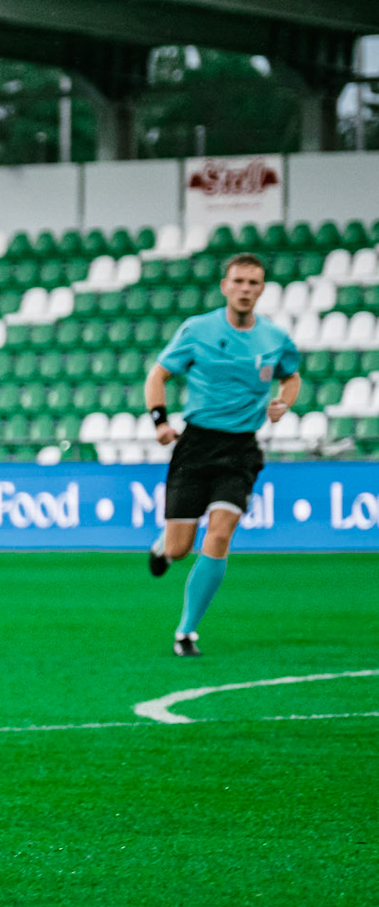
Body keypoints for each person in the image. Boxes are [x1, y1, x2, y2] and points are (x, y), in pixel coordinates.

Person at [144, 252, 301, 657]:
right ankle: (163, 547)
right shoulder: (197, 329)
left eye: (253, 283)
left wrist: (284, 401)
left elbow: (291, 375)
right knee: (180, 548)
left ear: (262, 288)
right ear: (224, 286)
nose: (245, 289)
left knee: (219, 534)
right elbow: (158, 374)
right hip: (196, 446)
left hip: (240, 449)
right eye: (239, 282)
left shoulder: (275, 338)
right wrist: (160, 422)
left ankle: (186, 631)